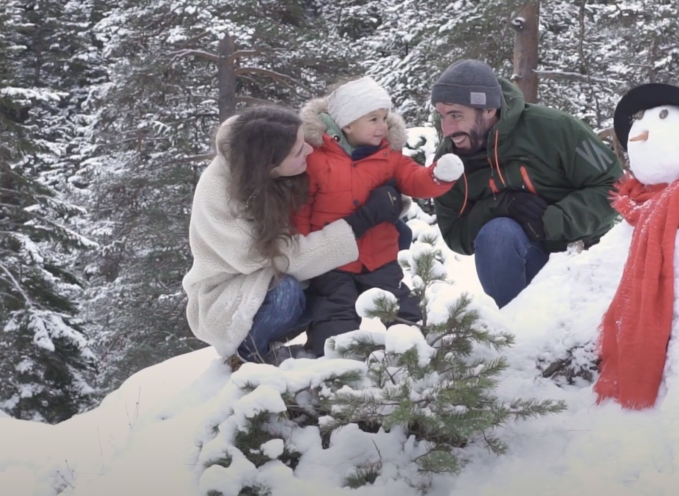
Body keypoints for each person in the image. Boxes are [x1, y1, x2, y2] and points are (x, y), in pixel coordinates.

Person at [182, 105, 405, 367]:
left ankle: (334, 350)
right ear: (270, 166)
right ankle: (249, 355)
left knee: (339, 281)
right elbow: (285, 258)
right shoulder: (219, 196)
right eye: (299, 150)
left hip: (285, 278)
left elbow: (343, 118)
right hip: (230, 299)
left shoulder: (270, 149)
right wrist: (361, 220)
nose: (309, 151)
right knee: (285, 292)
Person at [430, 59, 624, 308]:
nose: (447, 129)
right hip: (522, 258)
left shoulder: (555, 129)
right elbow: (455, 234)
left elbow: (614, 185)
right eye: (442, 116)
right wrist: (501, 207)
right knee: (497, 234)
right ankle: (515, 333)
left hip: (582, 255)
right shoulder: (451, 159)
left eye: (456, 115)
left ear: (489, 109)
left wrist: (551, 222)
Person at [294, 77, 464, 356]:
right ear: (347, 124)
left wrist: (437, 176)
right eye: (373, 119)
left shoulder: (388, 156)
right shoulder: (316, 158)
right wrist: (301, 251)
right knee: (334, 314)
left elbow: (413, 178)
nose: (383, 126)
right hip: (333, 262)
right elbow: (301, 206)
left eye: (384, 118)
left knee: (400, 309)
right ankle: (332, 365)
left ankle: (416, 355)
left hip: (379, 256)